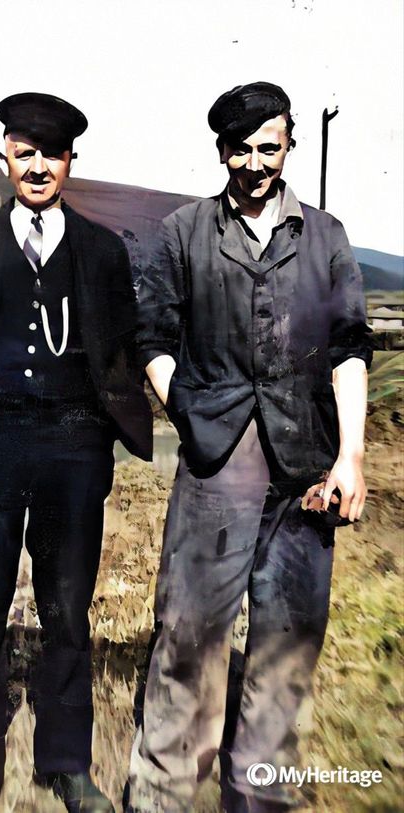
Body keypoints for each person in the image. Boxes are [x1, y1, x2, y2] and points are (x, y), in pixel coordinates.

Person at [126, 82, 371, 813]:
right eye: (241, 148)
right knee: (191, 636)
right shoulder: (184, 232)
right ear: (221, 150)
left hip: (307, 467)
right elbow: (152, 338)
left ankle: (259, 792)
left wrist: (351, 455)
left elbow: (350, 348)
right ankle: (164, 794)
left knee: (288, 638)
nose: (256, 162)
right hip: (218, 468)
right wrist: (191, 412)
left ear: (290, 143)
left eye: (270, 146)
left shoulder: (325, 236)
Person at [0, 92, 153, 812]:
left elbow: (128, 344)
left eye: (52, 153)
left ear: (70, 161)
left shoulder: (103, 249)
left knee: (67, 610)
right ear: (5, 158)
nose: (39, 166)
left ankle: (66, 761)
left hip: (73, 447)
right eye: (26, 152)